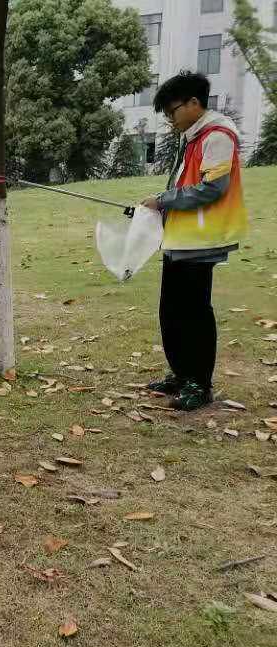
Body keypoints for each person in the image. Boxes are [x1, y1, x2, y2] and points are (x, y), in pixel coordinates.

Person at [141, 71, 247, 411]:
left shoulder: (217, 136)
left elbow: (212, 189)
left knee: (195, 312)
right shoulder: (193, 137)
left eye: (172, 111)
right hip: (180, 237)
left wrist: (163, 200)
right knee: (171, 310)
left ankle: (199, 384)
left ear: (193, 103)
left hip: (201, 241)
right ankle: (181, 373)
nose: (170, 119)